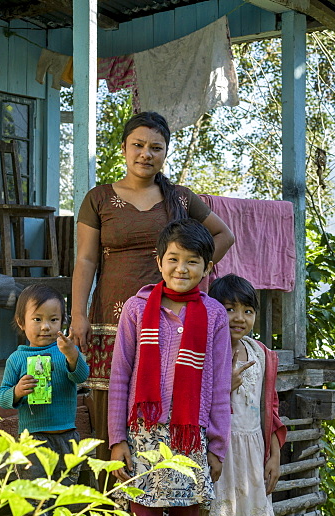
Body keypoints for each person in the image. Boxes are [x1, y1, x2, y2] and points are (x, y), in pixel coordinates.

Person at [70, 111, 234, 465]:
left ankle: (165, 493)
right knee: (111, 406)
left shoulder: (181, 199)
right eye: (138, 145)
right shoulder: (98, 199)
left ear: (165, 153)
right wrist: (78, 314)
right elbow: (85, 261)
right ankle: (110, 503)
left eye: (155, 148)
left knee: (166, 398)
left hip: (166, 320)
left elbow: (224, 235)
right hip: (110, 321)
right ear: (124, 149)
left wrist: (191, 274)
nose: (146, 154)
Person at [107, 219, 231, 516]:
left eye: (192, 261)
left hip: (188, 440)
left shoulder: (213, 316)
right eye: (173, 259)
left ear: (206, 267)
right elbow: (120, 373)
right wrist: (117, 438)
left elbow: (217, 385)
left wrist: (217, 446)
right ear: (159, 262)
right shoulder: (138, 309)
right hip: (143, 439)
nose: (181, 268)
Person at [200, 274, 288, 516]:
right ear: (214, 313)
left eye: (247, 310)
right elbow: (193, 404)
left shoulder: (262, 355)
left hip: (254, 455)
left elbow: (271, 408)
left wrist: (275, 454)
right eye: (229, 308)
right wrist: (223, 386)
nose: (239, 317)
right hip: (219, 454)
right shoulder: (205, 351)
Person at [0, 284, 90, 516]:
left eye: (53, 319)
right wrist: (16, 392)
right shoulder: (17, 359)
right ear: (21, 322)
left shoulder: (64, 352)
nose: (45, 327)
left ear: (63, 322)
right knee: (33, 494)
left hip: (66, 437)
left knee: (64, 494)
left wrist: (73, 355)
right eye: (37, 319)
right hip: (33, 440)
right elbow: (2, 397)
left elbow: (81, 376)